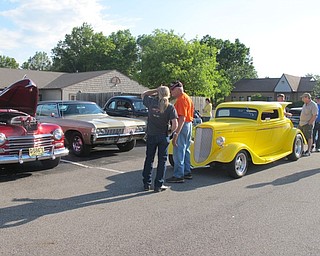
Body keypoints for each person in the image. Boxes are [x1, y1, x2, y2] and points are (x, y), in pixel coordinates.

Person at [141, 86, 178, 192]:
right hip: (163, 136)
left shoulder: (151, 102)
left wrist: (155, 90)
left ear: (158, 93)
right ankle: (158, 185)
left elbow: (143, 94)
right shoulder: (170, 107)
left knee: (149, 159)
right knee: (162, 160)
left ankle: (146, 183)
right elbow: (175, 124)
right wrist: (170, 132)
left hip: (151, 135)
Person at [166, 80, 194, 183]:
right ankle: (187, 172)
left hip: (183, 125)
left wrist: (176, 133)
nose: (171, 92)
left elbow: (182, 118)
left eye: (172, 90)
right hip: (189, 125)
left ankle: (178, 175)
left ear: (178, 89)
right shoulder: (186, 97)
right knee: (186, 149)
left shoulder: (181, 99)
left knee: (178, 151)